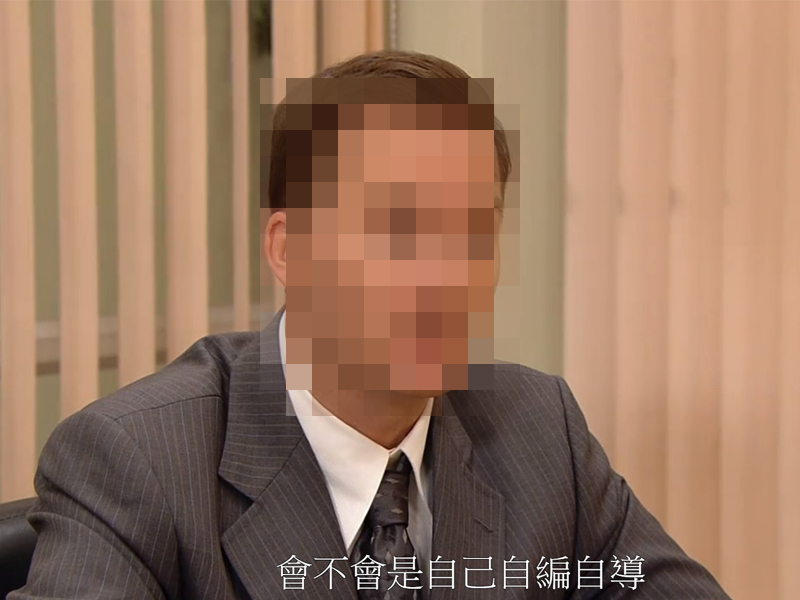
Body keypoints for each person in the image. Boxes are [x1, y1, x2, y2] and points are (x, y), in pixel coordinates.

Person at [11, 50, 731, 599]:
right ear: (288, 249)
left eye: (472, 230)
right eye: (397, 226)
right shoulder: (138, 460)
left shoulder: (540, 429)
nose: (444, 274)